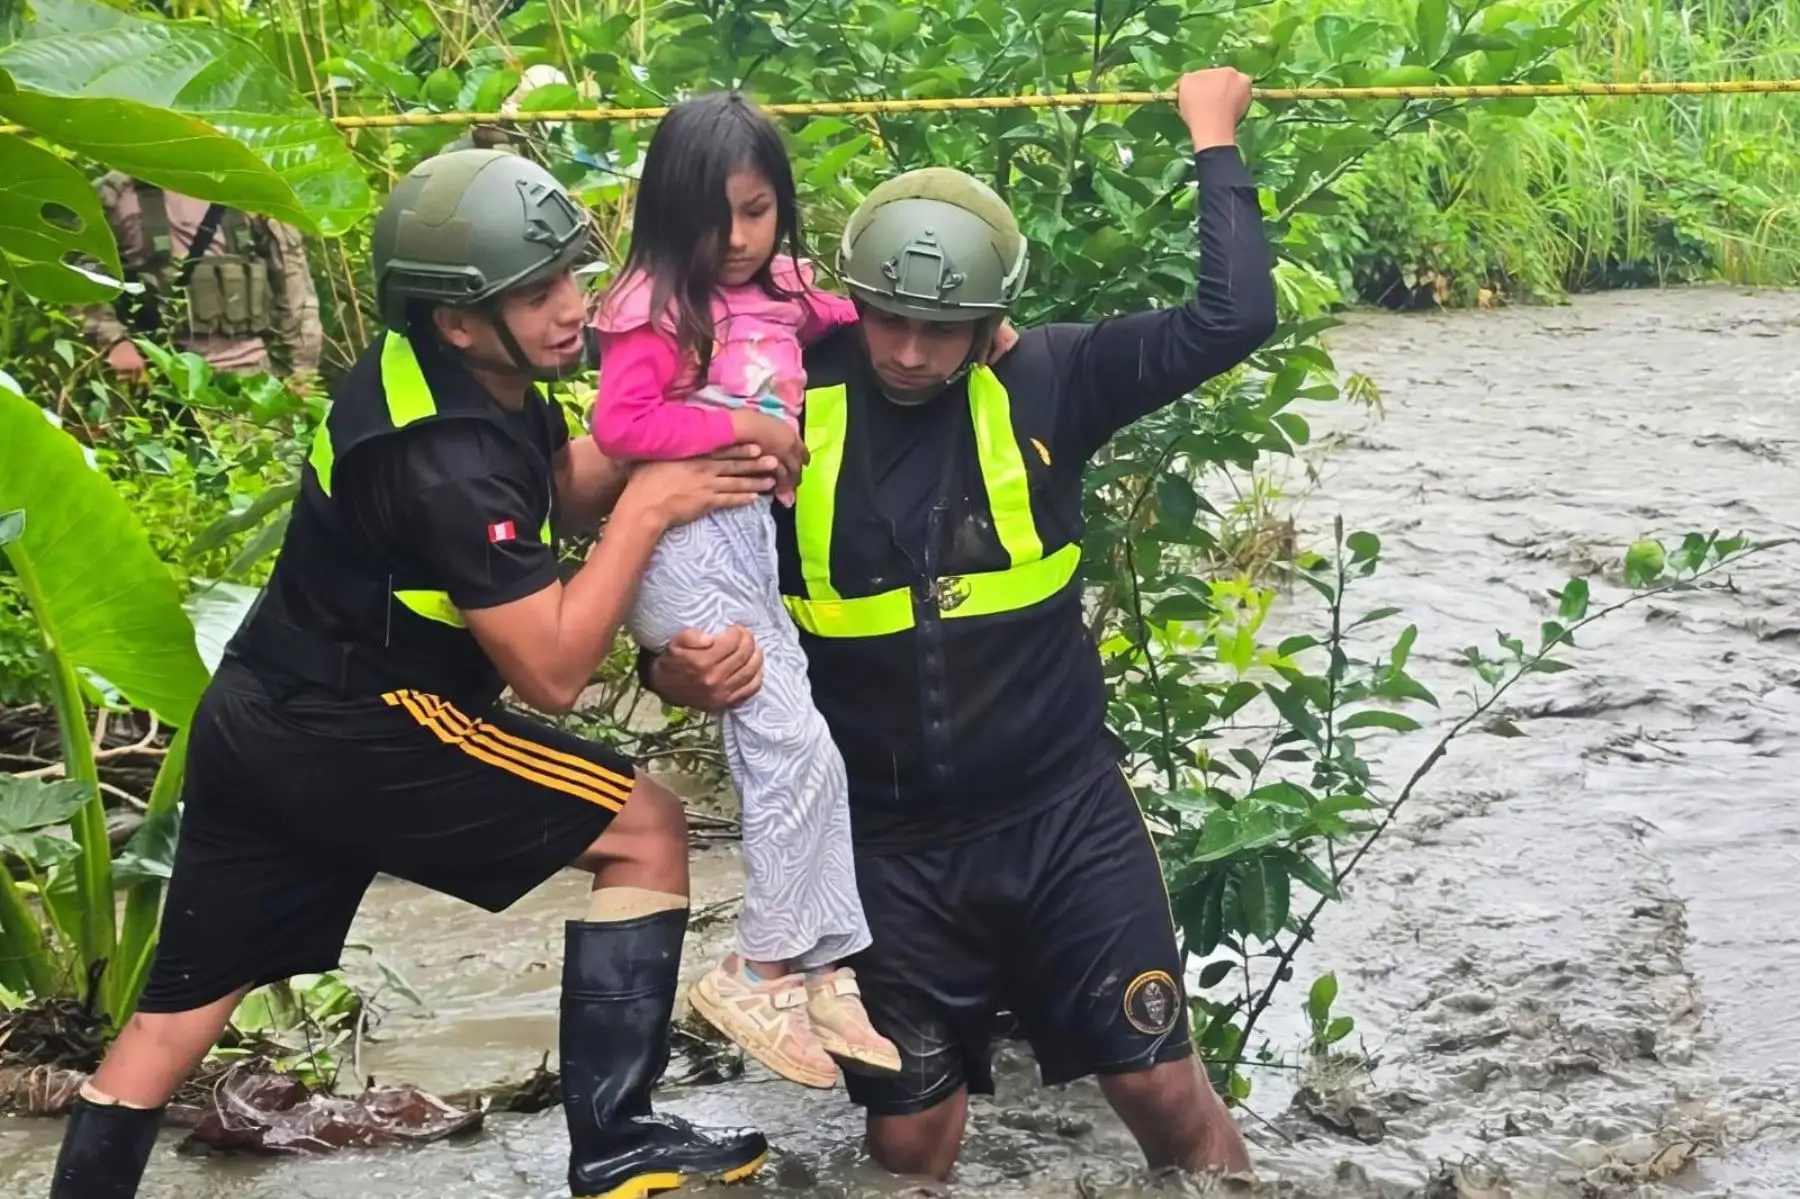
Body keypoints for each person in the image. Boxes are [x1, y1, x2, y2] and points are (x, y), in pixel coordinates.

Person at [49, 149, 776, 1199]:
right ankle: (618, 1141)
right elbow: (555, 671)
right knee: (649, 825)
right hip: (369, 725)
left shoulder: (447, 374)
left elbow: (556, 489)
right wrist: (657, 504)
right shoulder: (444, 456)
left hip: (260, 716)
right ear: (457, 317)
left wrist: (672, 425)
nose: (573, 308)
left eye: (573, 274)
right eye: (538, 294)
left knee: (173, 1018)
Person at [636, 66, 1275, 1180]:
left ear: (989, 318)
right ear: (852, 298)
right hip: (889, 852)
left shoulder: (1055, 376)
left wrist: (1211, 138)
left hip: (1064, 816)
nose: (910, 352)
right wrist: (667, 668)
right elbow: (688, 569)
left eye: (943, 328)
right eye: (889, 319)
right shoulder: (780, 391)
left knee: (1160, 1086)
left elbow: (1234, 316)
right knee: (911, 1137)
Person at [587, 91, 900, 1089]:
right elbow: (624, 427)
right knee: (788, 744)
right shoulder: (653, 305)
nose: (734, 237)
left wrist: (974, 322)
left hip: (747, 543)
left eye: (757, 211)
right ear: (666, 213)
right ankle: (754, 964)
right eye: (711, 216)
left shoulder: (783, 291)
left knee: (814, 755)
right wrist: (747, 429)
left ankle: (826, 966)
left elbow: (863, 312)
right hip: (683, 542)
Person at [81, 173, 324, 384]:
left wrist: (303, 373)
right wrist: (115, 342)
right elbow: (78, 273)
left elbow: (295, 290)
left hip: (250, 379)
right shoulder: (113, 195)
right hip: (155, 379)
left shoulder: (248, 190)